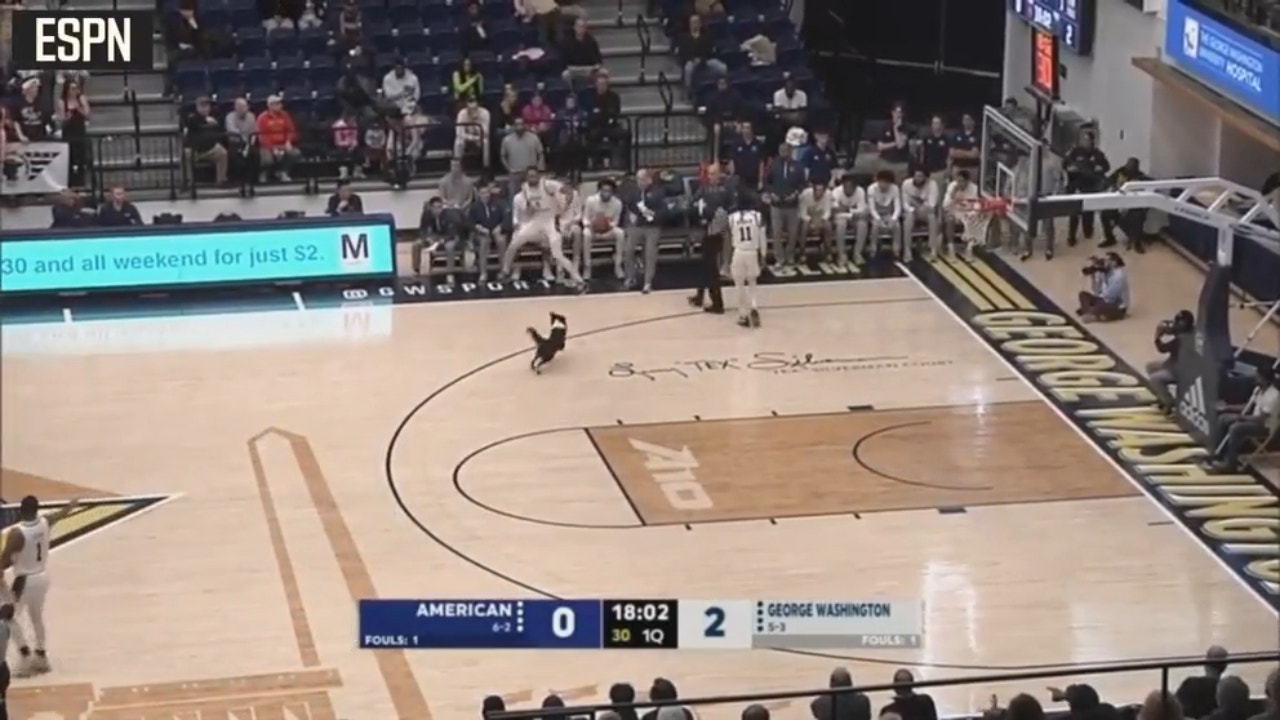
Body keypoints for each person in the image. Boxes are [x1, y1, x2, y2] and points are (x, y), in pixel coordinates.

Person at [0, 495, 81, 677]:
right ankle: (41, 656)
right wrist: (71, 505)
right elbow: (59, 514)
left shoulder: (17, 533)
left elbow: (4, 559)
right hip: (42, 577)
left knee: (8, 616)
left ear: (21, 511)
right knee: (36, 617)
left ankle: (25, 656)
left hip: (25, 579)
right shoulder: (45, 522)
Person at [503, 168, 587, 290]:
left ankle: (578, 279)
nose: (532, 178)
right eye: (530, 176)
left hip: (550, 219)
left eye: (534, 175)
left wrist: (563, 205)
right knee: (514, 243)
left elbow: (568, 191)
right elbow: (528, 208)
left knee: (557, 254)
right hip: (536, 219)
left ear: (539, 176)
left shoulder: (548, 184)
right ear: (526, 177)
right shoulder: (525, 188)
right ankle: (505, 272)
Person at [1208, 366, 1279, 472]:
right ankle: (1218, 453)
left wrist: (1239, 417)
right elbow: (1247, 406)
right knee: (1223, 418)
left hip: (1264, 427)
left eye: (1258, 377)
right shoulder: (1258, 390)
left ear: (1264, 379)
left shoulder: (1273, 396)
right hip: (1254, 421)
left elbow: (1260, 419)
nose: (1255, 378)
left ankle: (1230, 463)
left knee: (1236, 428)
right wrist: (1227, 407)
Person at [1064, 130, 1110, 246]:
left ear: (1092, 141)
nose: (1085, 142)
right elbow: (1065, 164)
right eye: (1083, 140)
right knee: (1074, 212)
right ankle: (1071, 237)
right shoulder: (1075, 152)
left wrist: (1101, 168)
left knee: (1088, 212)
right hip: (1077, 186)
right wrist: (1069, 169)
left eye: (1087, 140)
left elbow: (1106, 166)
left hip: (1091, 186)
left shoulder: (1098, 154)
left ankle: (1088, 231)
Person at [728, 194, 765, 328]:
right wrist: (763, 255)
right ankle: (754, 307)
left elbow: (729, 237)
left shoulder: (732, 217)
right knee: (752, 281)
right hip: (752, 251)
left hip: (739, 251)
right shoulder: (757, 216)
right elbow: (762, 237)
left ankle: (742, 314)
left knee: (739, 284)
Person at [1146, 310, 1194, 412]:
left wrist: (1157, 336)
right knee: (1150, 366)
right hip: (1177, 364)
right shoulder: (1193, 332)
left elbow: (1162, 349)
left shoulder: (1181, 339)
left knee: (1155, 379)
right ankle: (1161, 396)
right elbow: (1177, 331)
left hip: (1178, 371)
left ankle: (1168, 403)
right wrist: (1170, 330)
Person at [583, 179, 624, 282]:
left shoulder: (618, 203)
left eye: (609, 191)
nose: (606, 193)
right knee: (586, 234)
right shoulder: (590, 200)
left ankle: (618, 266)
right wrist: (591, 225)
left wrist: (608, 226)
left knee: (620, 233)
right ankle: (587, 267)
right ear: (599, 190)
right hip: (593, 230)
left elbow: (616, 221)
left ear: (612, 192)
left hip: (608, 230)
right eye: (604, 190)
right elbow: (585, 218)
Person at [469, 183, 508, 283]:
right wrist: (479, 228)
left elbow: (506, 218)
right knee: (484, 242)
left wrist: (500, 227)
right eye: (483, 193)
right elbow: (470, 223)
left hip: (496, 230)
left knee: (501, 240)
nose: (485, 195)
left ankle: (503, 271)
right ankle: (483, 273)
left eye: (487, 192)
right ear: (478, 194)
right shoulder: (475, 206)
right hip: (482, 233)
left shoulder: (498, 203)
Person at [1077, 252, 1129, 322]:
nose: (1105, 262)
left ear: (1114, 262)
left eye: (1107, 260)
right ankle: (1091, 312)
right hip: (1104, 300)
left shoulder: (1119, 275)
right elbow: (1096, 291)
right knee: (1082, 294)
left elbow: (1111, 296)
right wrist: (1093, 277)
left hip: (1116, 304)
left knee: (1098, 306)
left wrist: (1098, 300)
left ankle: (1091, 312)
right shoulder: (1105, 272)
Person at [865, 170, 904, 263]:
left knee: (897, 226)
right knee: (875, 226)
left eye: (886, 183)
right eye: (882, 182)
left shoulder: (895, 189)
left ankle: (896, 250)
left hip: (888, 213)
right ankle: (873, 249)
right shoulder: (871, 189)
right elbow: (871, 208)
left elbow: (897, 206)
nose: (884, 185)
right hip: (875, 214)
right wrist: (878, 219)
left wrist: (893, 219)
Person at [901, 169, 937, 261]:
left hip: (925, 211)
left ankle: (933, 249)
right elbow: (905, 203)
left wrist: (922, 208)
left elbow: (932, 204)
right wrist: (912, 210)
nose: (917, 178)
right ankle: (907, 250)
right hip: (911, 211)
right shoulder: (906, 184)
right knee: (908, 219)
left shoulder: (932, 184)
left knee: (932, 217)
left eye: (920, 176)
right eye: (916, 176)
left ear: (926, 178)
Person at [942, 169, 979, 259]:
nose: (959, 183)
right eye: (958, 181)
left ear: (967, 181)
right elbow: (945, 206)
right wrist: (952, 195)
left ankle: (969, 248)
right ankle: (950, 247)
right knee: (949, 219)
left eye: (962, 181)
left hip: (968, 213)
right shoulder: (952, 186)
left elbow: (977, 206)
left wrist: (970, 214)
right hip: (954, 211)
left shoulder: (974, 189)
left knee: (975, 219)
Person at [831, 175, 867, 266]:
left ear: (855, 187)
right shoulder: (836, 192)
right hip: (841, 218)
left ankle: (857, 253)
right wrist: (853, 211)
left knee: (862, 224)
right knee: (841, 224)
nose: (847, 189)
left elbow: (862, 210)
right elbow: (835, 211)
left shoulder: (860, 191)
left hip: (854, 218)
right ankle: (841, 254)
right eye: (845, 186)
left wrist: (846, 209)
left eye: (850, 187)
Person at [798, 182, 834, 262]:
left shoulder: (828, 194)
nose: (819, 193)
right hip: (808, 220)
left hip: (820, 219)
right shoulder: (806, 194)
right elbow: (802, 213)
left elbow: (828, 212)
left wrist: (820, 221)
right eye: (817, 190)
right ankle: (802, 253)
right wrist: (811, 221)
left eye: (821, 191)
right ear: (813, 190)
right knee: (804, 226)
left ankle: (828, 252)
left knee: (828, 225)